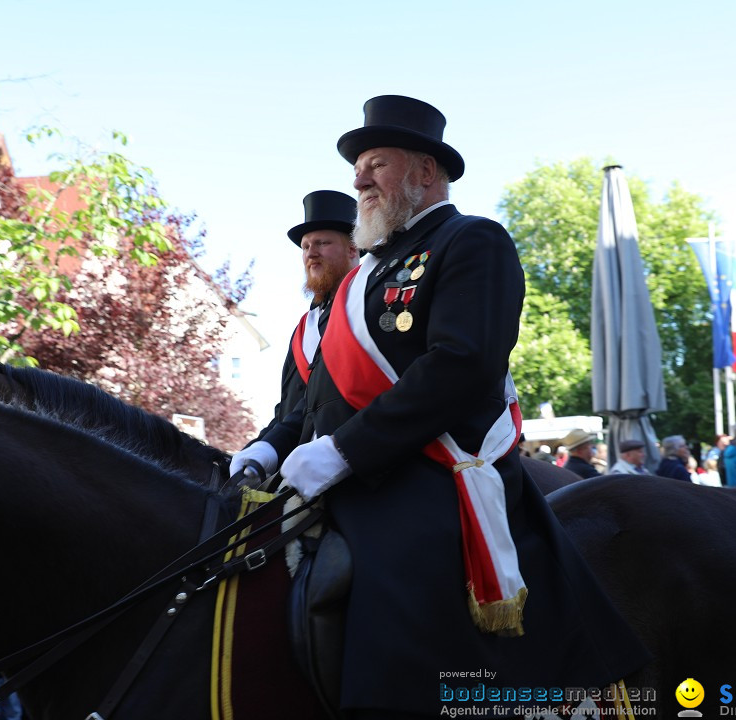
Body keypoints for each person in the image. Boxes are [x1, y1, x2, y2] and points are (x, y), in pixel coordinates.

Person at [248, 95, 648, 718]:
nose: (359, 179)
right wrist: (271, 447)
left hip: (431, 473)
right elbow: (319, 393)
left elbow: (461, 366)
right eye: (359, 168)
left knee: (393, 611)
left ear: (425, 172)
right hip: (355, 477)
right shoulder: (365, 275)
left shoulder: (472, 240)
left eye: (375, 163)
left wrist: (343, 451)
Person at [232, 190, 358, 474]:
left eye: (323, 243)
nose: (311, 253)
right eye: (305, 246)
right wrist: (255, 450)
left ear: (353, 249)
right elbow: (288, 412)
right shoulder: (304, 328)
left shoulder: (362, 308)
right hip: (296, 467)